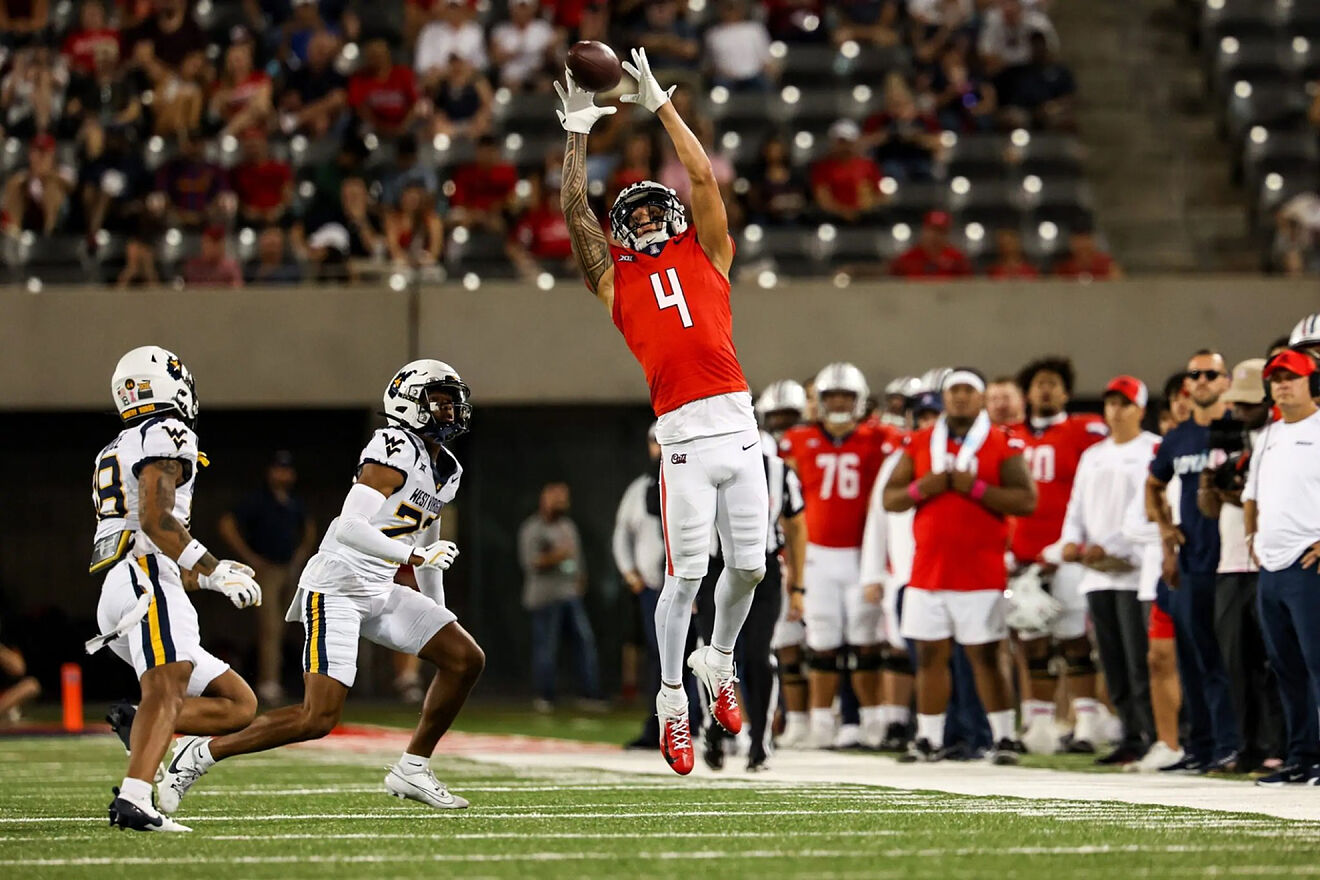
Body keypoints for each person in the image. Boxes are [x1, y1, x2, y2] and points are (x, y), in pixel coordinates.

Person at [556, 48, 769, 775]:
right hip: (679, 434)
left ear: (673, 215)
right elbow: (574, 216)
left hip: (739, 424)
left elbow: (704, 175)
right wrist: (579, 131)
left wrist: (663, 107)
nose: (645, 218)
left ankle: (720, 659)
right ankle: (673, 702)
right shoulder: (616, 283)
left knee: (750, 568)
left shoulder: (710, 254)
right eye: (634, 213)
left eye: (654, 207)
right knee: (685, 578)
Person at [157, 361, 485, 814]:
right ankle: (201, 752)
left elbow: (430, 547)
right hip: (337, 586)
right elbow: (349, 526)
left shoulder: (447, 468)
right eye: (439, 401)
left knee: (464, 657)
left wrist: (440, 616)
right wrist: (414, 558)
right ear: (409, 403)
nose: (450, 412)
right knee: (318, 718)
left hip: (379, 588)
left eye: (453, 402)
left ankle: (412, 767)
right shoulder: (393, 446)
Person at [88, 347, 262, 832]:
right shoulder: (167, 431)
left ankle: (137, 723)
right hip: (145, 578)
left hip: (128, 581)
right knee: (166, 688)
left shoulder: (118, 443)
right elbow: (156, 519)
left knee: (239, 704)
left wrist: (208, 571)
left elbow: (152, 526)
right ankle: (136, 799)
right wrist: (211, 568)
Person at [882, 368, 1037, 763]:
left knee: (986, 657)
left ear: (982, 398)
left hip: (980, 571)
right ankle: (929, 739)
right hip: (928, 571)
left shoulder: (1001, 443)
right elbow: (891, 498)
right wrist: (924, 488)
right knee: (929, 657)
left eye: (968, 390)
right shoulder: (919, 442)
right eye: (954, 391)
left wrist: (978, 489)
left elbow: (1026, 500)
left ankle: (1004, 737)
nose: (960, 398)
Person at [779, 363, 902, 749]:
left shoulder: (880, 437)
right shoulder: (797, 441)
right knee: (822, 642)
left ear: (859, 400)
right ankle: (820, 723)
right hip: (816, 555)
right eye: (831, 396)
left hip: (861, 554)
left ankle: (872, 721)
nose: (837, 403)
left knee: (866, 643)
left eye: (845, 396)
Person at [1146, 350, 1245, 773]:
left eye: (1210, 374)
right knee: (1192, 658)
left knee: (1227, 659)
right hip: (1192, 560)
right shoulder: (1178, 437)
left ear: (1225, 382)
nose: (1202, 381)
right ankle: (1201, 745)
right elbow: (1153, 486)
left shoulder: (1241, 431)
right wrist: (1167, 535)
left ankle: (1233, 744)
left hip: (1235, 562)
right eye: (1195, 375)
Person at [1005, 356, 1108, 754]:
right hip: (1025, 557)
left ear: (1066, 392)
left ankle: (1086, 721)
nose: (1046, 390)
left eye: (1053, 383)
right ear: (1027, 393)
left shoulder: (1084, 430)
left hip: (1067, 555)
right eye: (1039, 384)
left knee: (1074, 640)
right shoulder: (1008, 436)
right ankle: (1041, 724)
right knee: (1033, 643)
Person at [1059, 376, 1160, 765]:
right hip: (1098, 572)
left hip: (1137, 570)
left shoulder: (1153, 449)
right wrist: (1071, 539)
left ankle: (1155, 731)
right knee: (1112, 658)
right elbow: (1077, 506)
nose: (1116, 411)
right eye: (1111, 404)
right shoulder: (1094, 455)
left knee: (1140, 657)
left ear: (1140, 410)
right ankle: (1130, 733)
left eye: (1125, 404)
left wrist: (1114, 545)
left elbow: (1148, 510)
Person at [1199, 358, 1285, 772]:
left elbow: (1269, 501)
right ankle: (1247, 746)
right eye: (1237, 404)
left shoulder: (1280, 439)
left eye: (1249, 404)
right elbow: (1210, 509)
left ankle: (1280, 745)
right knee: (1237, 664)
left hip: (1269, 560)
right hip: (1230, 563)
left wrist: (1236, 493)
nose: (1240, 411)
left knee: (1274, 662)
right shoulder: (1226, 441)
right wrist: (1209, 486)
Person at [1243, 348, 1320, 785]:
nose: (1282, 385)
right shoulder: (1269, 434)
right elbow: (1253, 491)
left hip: (1308, 567)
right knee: (1286, 667)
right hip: (1271, 568)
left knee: (1316, 664)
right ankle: (1301, 755)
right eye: (1276, 378)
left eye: (1291, 377)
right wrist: (1252, 535)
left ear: (1312, 382)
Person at [859, 389, 945, 751]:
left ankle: (943, 726)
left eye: (933, 416)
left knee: (940, 656)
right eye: (921, 416)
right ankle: (900, 723)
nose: (927, 423)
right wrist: (872, 572)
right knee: (902, 651)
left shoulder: (957, 458)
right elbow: (878, 517)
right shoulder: (898, 458)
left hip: (945, 573)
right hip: (904, 573)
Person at [614, 424, 697, 747]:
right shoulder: (641, 488)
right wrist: (630, 572)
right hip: (654, 587)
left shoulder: (695, 483)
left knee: (694, 657)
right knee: (660, 659)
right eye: (655, 443)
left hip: (690, 587)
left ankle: (698, 727)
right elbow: (622, 532)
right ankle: (660, 727)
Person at [218, 451, 317, 706]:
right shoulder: (258, 500)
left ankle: (287, 680)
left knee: (288, 626)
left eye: (287, 470)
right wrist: (250, 557)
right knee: (270, 628)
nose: (283, 474)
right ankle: (268, 683)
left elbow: (309, 529)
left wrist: (301, 556)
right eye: (278, 469)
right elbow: (227, 524)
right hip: (267, 569)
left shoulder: (294, 502)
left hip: (290, 569)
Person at [756, 380, 813, 748]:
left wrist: (797, 582)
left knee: (813, 646)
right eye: (776, 418)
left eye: (790, 418)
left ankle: (817, 720)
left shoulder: (797, 458)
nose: (783, 426)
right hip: (751, 561)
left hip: (795, 556)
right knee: (769, 649)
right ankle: (759, 726)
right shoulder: (754, 451)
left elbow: (798, 525)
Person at [519, 482, 602, 711]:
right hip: (544, 597)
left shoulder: (567, 526)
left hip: (569, 595)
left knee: (584, 643)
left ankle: (589, 694)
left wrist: (580, 579)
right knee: (546, 648)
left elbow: (578, 559)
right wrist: (557, 556)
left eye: (564, 499)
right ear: (545, 501)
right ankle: (545, 696)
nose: (562, 504)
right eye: (557, 499)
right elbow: (530, 562)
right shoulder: (533, 528)